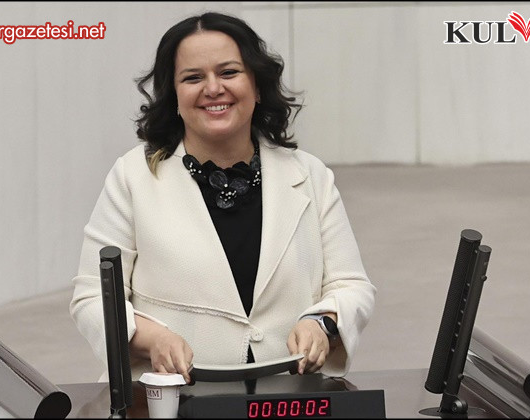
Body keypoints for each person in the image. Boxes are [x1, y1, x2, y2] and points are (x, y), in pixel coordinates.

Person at [70, 11, 376, 384]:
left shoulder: (311, 175)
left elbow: (351, 286)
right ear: (174, 95)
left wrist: (321, 323)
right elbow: (93, 298)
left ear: (257, 86)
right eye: (193, 78)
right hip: (171, 398)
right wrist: (153, 340)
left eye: (229, 72)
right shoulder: (131, 178)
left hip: (289, 396)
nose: (213, 88)